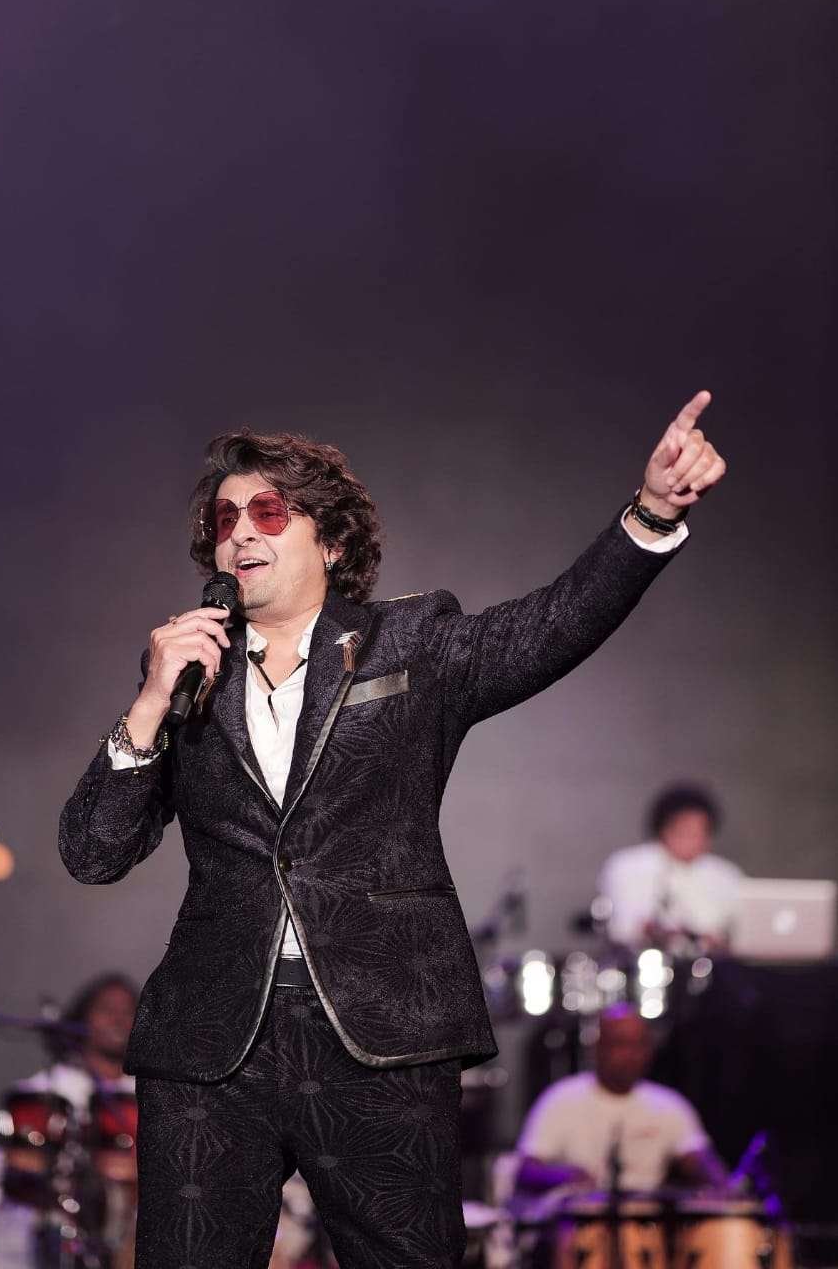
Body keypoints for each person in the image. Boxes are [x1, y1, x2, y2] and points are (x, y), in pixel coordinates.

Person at [59, 393, 727, 1268]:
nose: (240, 533)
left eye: (267, 512)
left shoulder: (407, 644)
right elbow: (93, 852)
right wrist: (150, 702)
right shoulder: (188, 675)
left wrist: (650, 515)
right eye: (224, 520)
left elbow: (552, 624)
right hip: (211, 1043)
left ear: (330, 542)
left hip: (381, 1032)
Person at [0, 973, 139, 1269]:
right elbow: (20, 1164)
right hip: (60, 1227)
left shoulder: (151, 1095)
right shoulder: (46, 1091)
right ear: (82, 1019)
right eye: (106, 1009)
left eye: (128, 1011)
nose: (118, 1020)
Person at [515, 1004, 727, 1193]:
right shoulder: (561, 1099)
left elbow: (698, 1160)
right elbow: (526, 1170)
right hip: (576, 1216)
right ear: (597, 1049)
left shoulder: (669, 1104)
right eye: (620, 1044)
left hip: (647, 1217)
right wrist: (567, 1176)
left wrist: (721, 1186)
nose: (631, 1055)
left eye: (639, 1045)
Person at [598, 783, 744, 951]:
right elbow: (623, 927)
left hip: (714, 960)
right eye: (685, 831)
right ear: (664, 829)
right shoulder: (627, 866)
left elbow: (737, 929)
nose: (693, 840)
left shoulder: (726, 874)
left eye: (700, 832)